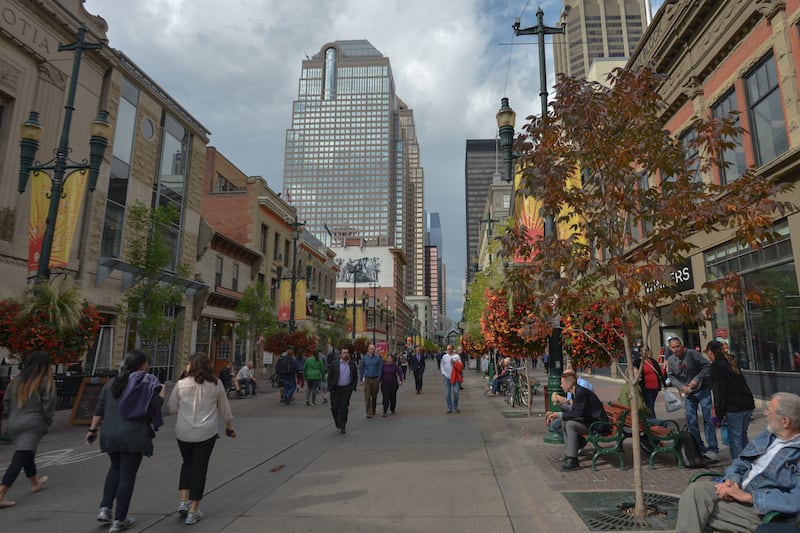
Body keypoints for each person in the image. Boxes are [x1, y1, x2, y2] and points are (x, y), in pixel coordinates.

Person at [676, 392, 800, 533]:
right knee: (695, 491)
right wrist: (731, 480)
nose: (765, 414)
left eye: (769, 411)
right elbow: (741, 461)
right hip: (736, 490)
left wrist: (748, 497)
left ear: (785, 421)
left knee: (694, 511)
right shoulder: (769, 436)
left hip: (758, 509)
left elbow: (795, 499)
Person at [89, 350, 164, 532]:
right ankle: (120, 519)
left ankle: (105, 508)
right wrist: (161, 393)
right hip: (133, 434)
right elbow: (156, 406)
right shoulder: (144, 383)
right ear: (142, 365)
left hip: (110, 433)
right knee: (127, 476)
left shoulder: (112, 383)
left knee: (114, 468)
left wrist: (92, 430)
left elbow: (100, 408)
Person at [167, 353, 235, 525]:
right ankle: (194, 510)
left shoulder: (181, 384)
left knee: (187, 464)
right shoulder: (215, 384)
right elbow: (225, 409)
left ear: (190, 366)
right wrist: (230, 428)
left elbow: (172, 408)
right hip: (206, 433)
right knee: (200, 468)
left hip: (183, 432)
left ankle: (183, 500)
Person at [0, 351, 55, 508]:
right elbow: (48, 405)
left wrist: (13, 416)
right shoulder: (45, 381)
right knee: (21, 456)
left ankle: (35, 482)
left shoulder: (16, 381)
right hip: (33, 423)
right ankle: (1, 492)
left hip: (15, 421)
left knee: (27, 452)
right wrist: (47, 421)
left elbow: (7, 401)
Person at [667, 337, 719, 461]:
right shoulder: (671, 360)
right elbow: (671, 377)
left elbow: (706, 367)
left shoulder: (691, 354)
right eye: (673, 347)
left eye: (678, 346)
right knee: (691, 421)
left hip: (702, 389)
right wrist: (681, 386)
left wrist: (697, 379)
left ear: (682, 345)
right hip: (688, 393)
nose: (676, 349)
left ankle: (713, 449)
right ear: (670, 348)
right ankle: (699, 449)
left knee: (708, 419)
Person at [706, 340, 755, 462]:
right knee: (742, 435)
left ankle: (739, 467)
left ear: (711, 352)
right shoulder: (731, 361)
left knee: (736, 438)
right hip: (747, 403)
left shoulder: (716, 366)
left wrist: (718, 414)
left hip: (734, 406)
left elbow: (719, 392)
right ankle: (747, 463)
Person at [559, 370, 609, 471]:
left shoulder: (581, 393)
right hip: (589, 421)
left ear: (569, 384)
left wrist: (559, 414)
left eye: (562, 383)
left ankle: (573, 460)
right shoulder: (575, 392)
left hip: (598, 424)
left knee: (570, 425)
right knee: (564, 422)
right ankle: (571, 452)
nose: (561, 385)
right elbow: (576, 412)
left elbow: (577, 414)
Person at [328, 348, 358, 434]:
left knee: (344, 407)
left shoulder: (351, 364)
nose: (346, 354)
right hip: (335, 389)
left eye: (347, 353)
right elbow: (330, 377)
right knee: (334, 407)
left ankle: (343, 425)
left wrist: (353, 387)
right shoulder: (335, 364)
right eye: (344, 353)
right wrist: (330, 387)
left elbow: (355, 376)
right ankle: (337, 420)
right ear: (340, 355)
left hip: (346, 389)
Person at [634, 346, 662, 419]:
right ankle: (653, 422)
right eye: (642, 350)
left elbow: (659, 372)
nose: (644, 352)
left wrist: (664, 383)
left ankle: (649, 419)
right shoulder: (637, 362)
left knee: (651, 405)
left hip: (655, 387)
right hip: (646, 388)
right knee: (650, 405)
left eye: (646, 350)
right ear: (640, 352)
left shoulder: (652, 361)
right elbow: (635, 373)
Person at [440, 345, 460, 414]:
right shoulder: (444, 356)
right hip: (447, 376)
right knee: (447, 393)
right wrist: (443, 373)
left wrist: (455, 363)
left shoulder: (457, 356)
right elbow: (442, 365)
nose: (448, 350)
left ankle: (456, 406)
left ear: (453, 349)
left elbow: (460, 365)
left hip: (455, 376)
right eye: (447, 349)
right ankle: (449, 407)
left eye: (450, 349)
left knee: (456, 392)